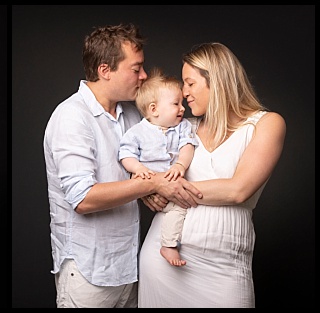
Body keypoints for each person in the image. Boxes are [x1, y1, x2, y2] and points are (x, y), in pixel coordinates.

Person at [42, 23, 201, 308]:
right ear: (105, 70)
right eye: (136, 68)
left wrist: (146, 191)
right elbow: (83, 198)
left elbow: (133, 173)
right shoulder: (72, 117)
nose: (143, 76)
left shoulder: (132, 115)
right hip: (89, 274)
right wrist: (152, 184)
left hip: (130, 268)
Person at [138, 42, 285, 308]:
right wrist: (150, 189)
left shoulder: (266, 124)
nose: (184, 93)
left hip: (224, 267)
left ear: (216, 81)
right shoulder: (182, 128)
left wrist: (168, 188)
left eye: (190, 84)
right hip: (162, 260)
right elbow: (146, 165)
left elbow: (238, 190)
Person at [118, 68, 197, 267]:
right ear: (154, 109)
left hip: (171, 181)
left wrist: (180, 164)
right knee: (178, 208)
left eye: (181, 103)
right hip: (148, 181)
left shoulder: (182, 126)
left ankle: (169, 242)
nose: (182, 108)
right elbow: (125, 154)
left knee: (178, 208)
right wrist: (137, 169)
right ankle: (168, 245)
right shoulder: (137, 132)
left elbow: (187, 146)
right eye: (176, 104)